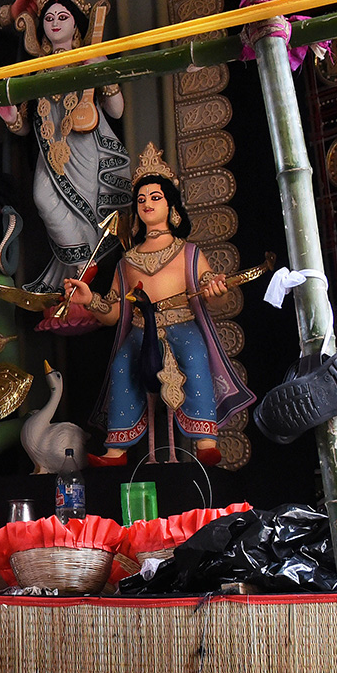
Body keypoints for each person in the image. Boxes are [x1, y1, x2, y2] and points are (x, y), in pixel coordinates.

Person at [63, 145, 254, 467]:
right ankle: (116, 450)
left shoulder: (188, 252)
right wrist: (90, 300)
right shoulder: (128, 261)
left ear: (171, 205)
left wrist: (215, 289)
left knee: (195, 357)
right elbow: (113, 314)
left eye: (155, 197)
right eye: (141, 200)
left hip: (182, 324)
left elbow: (214, 296)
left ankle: (205, 440)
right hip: (139, 328)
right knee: (122, 365)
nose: (147, 204)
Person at [0, 0, 129, 294]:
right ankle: (81, 270)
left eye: (63, 17)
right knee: (43, 198)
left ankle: (80, 280)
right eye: (49, 18)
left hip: (88, 150)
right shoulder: (36, 71)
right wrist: (13, 120)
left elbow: (116, 110)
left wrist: (104, 71)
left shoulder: (89, 59)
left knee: (89, 215)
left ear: (77, 24)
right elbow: (28, 126)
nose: (55, 23)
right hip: (50, 156)